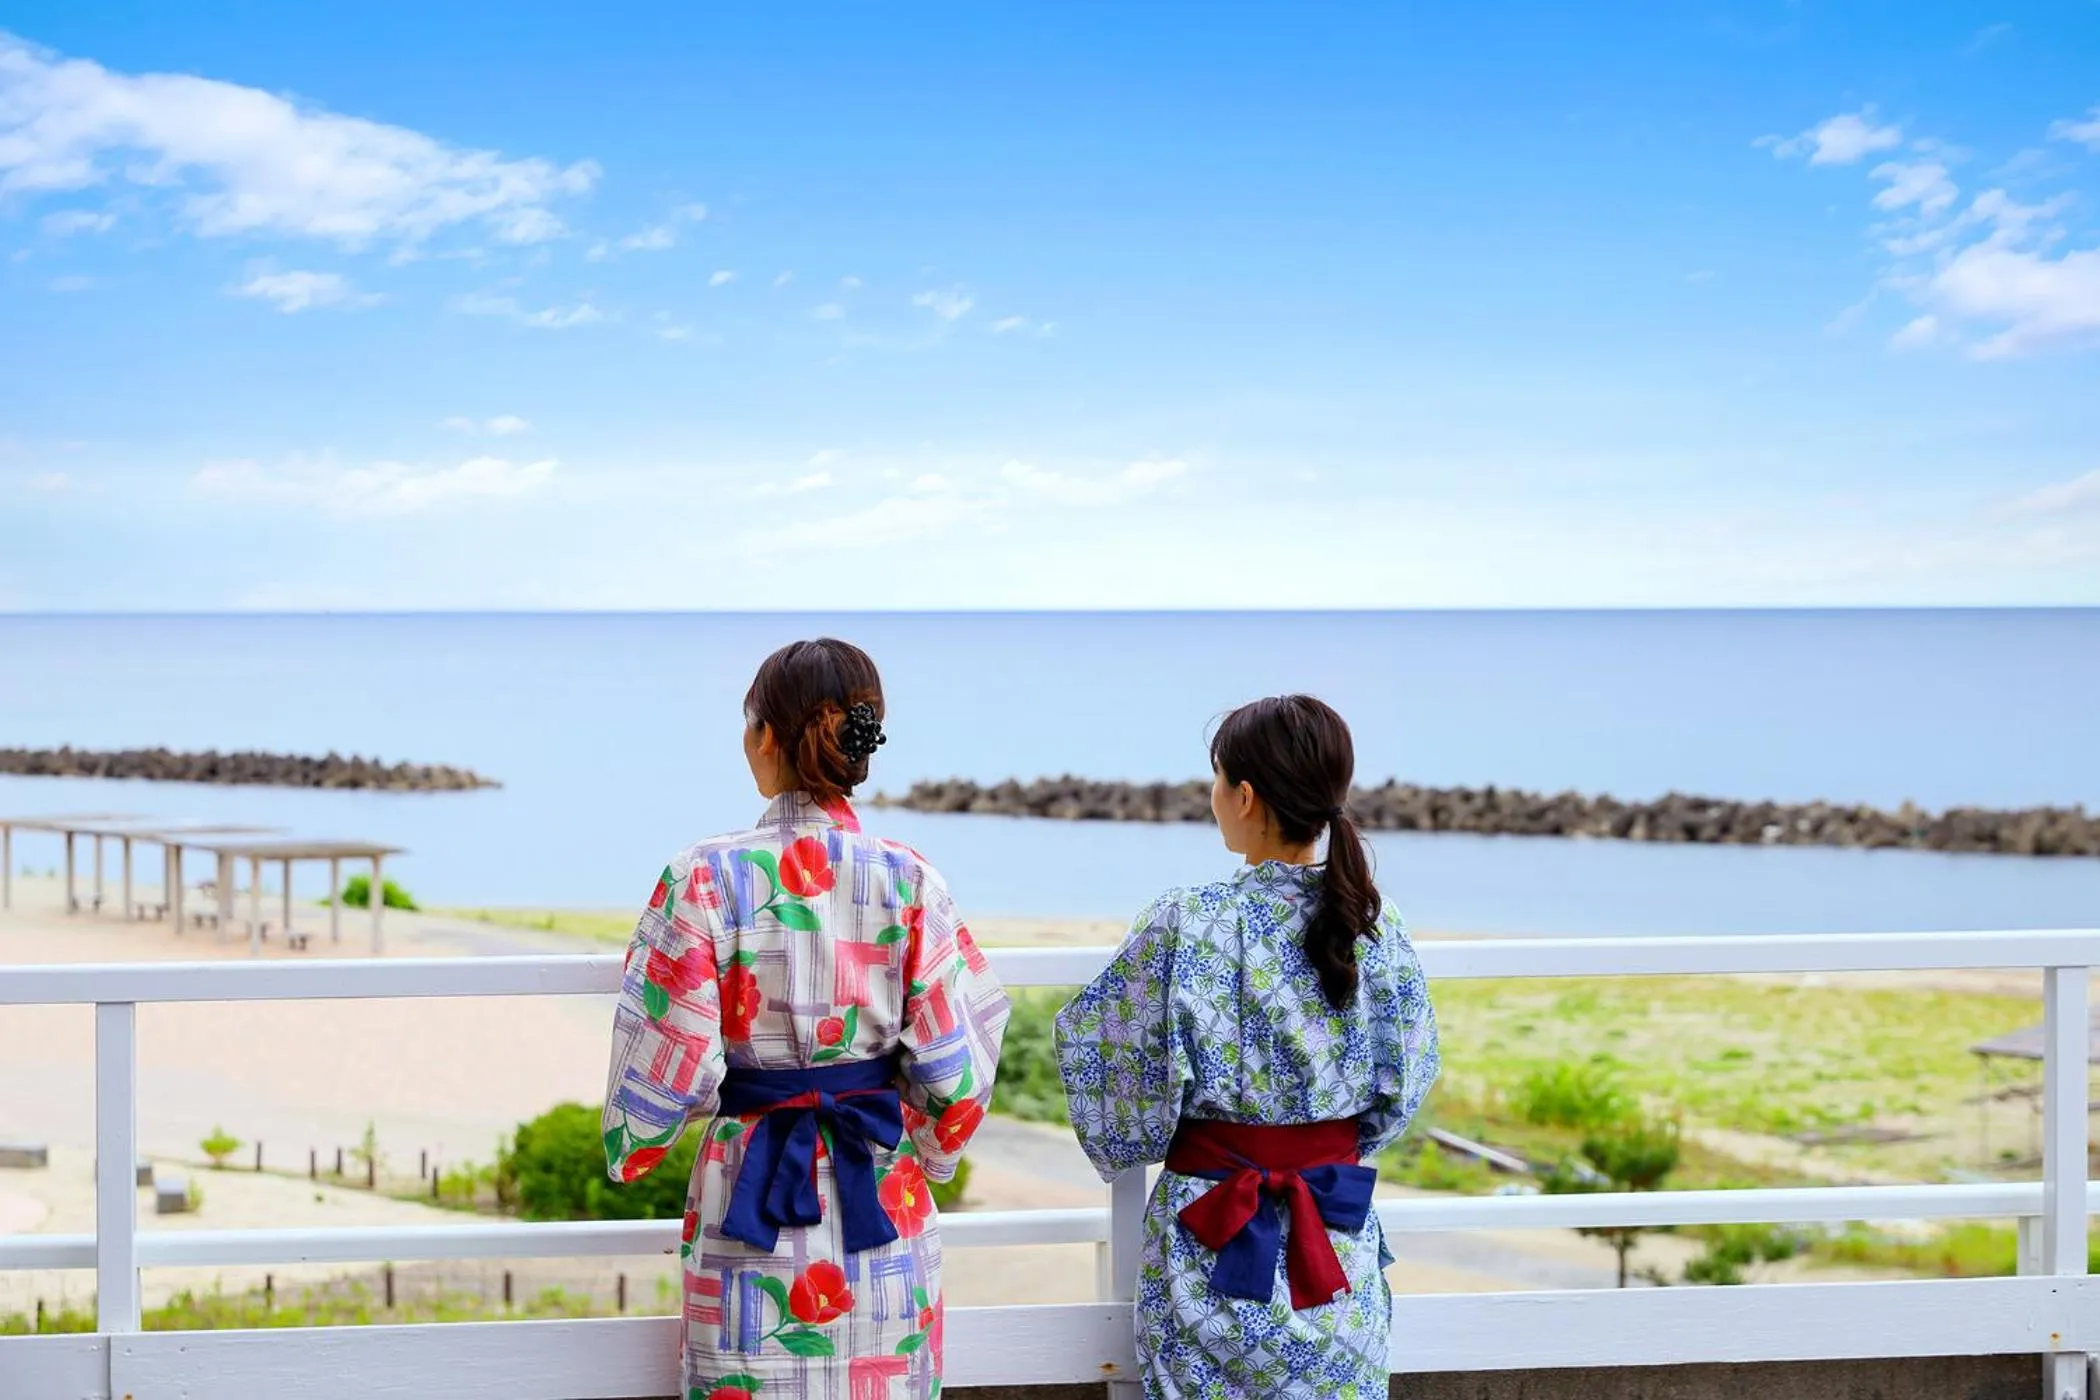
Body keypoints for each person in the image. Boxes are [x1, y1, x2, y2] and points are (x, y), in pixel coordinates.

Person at [603, 638, 1010, 1400]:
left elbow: (669, 1053)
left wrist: (637, 1144)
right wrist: (933, 1147)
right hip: (882, 1200)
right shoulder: (913, 879)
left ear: (762, 737)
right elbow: (958, 1066)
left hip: (745, 1201)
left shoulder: (703, 877)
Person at [1054, 694, 1440, 1400]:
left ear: (1245, 796)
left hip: (1205, 1243)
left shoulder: (1187, 922)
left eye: (1216, 779)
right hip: (1335, 1239)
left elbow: (1102, 1055)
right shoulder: (1376, 929)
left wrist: (1142, 1134)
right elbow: (1406, 1083)